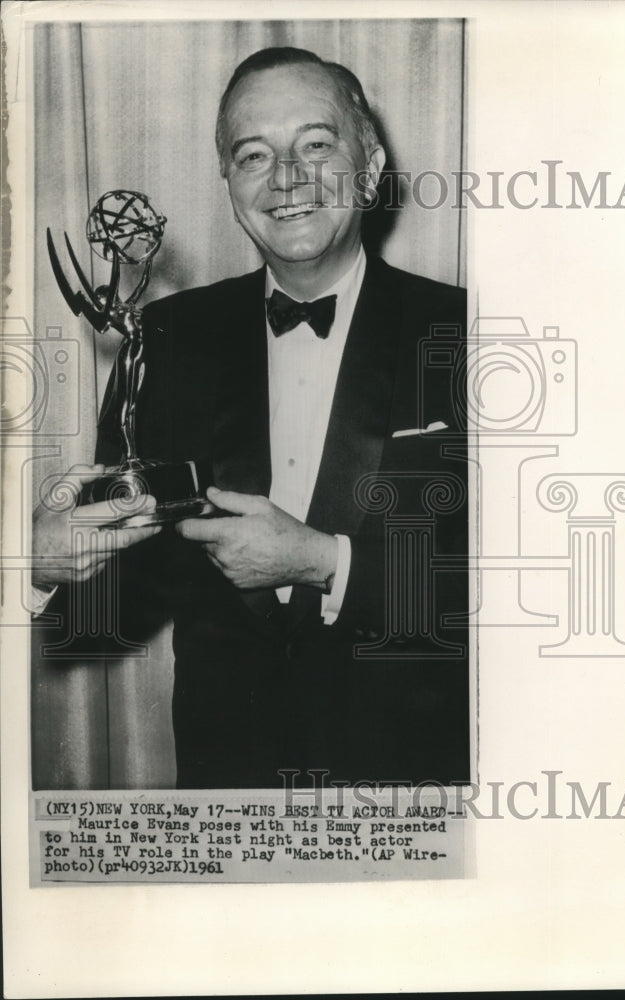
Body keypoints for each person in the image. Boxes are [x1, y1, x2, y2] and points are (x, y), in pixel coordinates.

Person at [33, 46, 469, 790]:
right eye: (254, 154)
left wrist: (326, 562)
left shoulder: (468, 332)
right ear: (230, 185)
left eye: (317, 144)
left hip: (415, 781)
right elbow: (122, 592)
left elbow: (526, 588)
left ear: (369, 168)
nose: (287, 178)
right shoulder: (163, 338)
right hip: (227, 780)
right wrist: (39, 564)